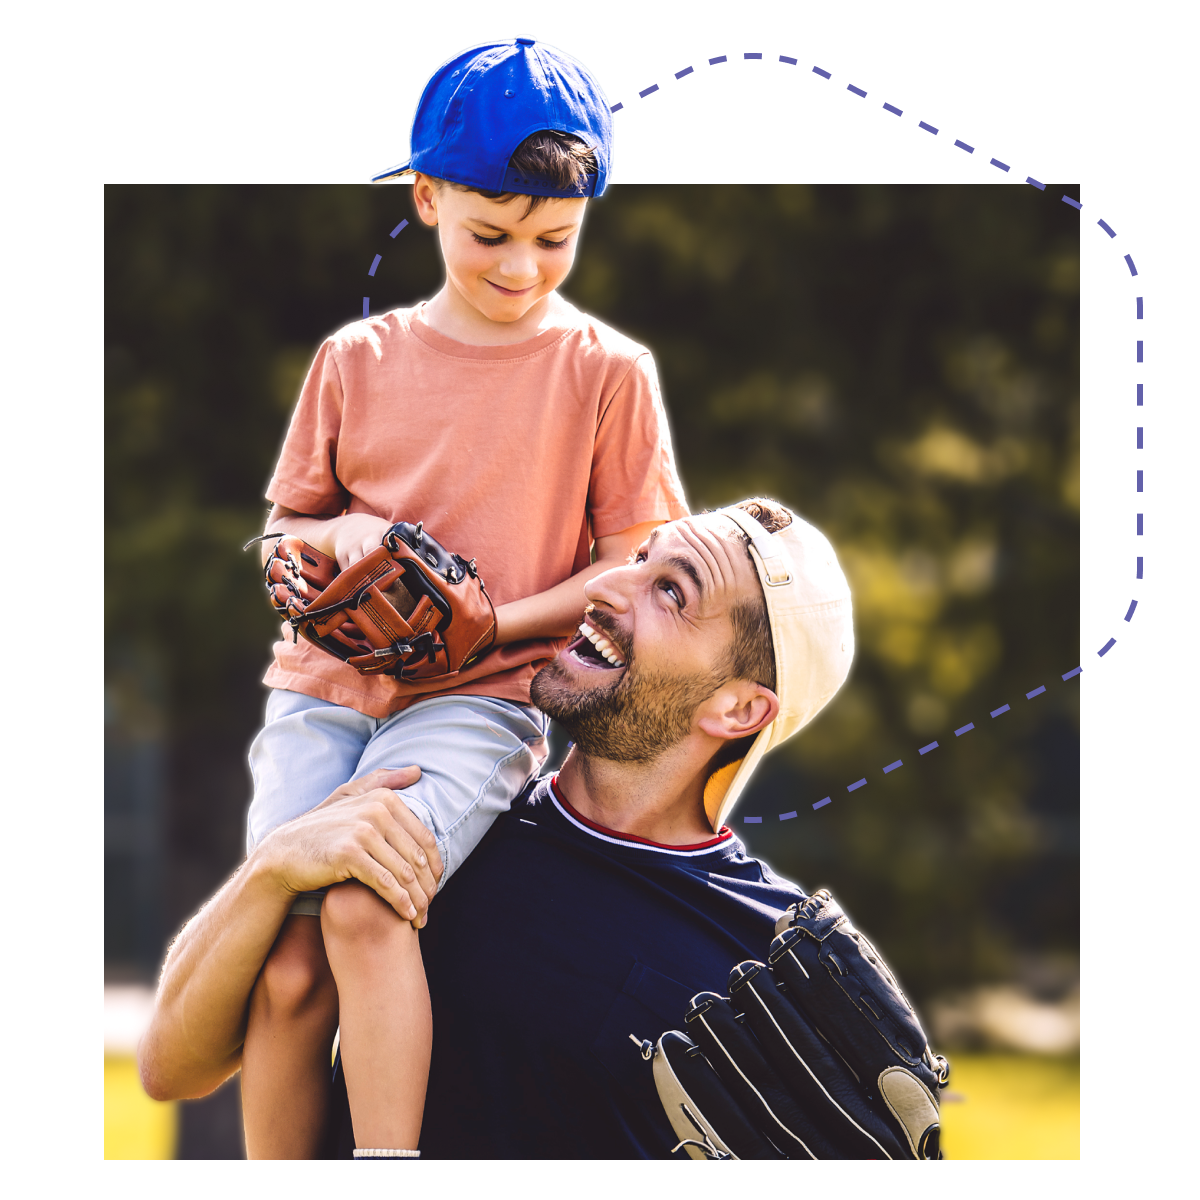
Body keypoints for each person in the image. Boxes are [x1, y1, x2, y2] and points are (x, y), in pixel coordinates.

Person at [239, 35, 689, 1158]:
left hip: (480, 699)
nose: (523, 268)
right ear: (428, 198)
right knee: (284, 967)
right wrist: (326, 539)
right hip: (325, 690)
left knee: (364, 904)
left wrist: (503, 624)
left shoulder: (606, 372)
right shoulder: (355, 359)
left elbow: (635, 562)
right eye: (492, 234)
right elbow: (288, 526)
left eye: (556, 240)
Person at [139, 499, 859, 1158]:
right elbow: (172, 1065)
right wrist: (276, 866)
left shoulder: (767, 963)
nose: (605, 588)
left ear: (739, 711)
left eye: (672, 591)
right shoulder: (439, 816)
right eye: (640, 559)